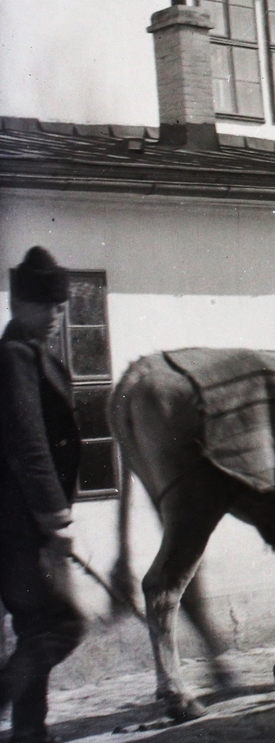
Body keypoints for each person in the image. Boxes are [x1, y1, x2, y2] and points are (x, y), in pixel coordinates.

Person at [1, 247, 85, 743]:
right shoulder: (14, 359)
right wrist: (56, 520)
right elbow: (29, 444)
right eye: (49, 306)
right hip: (15, 525)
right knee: (60, 626)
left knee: (38, 628)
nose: (58, 315)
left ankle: (30, 731)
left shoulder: (32, 356)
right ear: (21, 305)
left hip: (21, 523)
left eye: (60, 305)